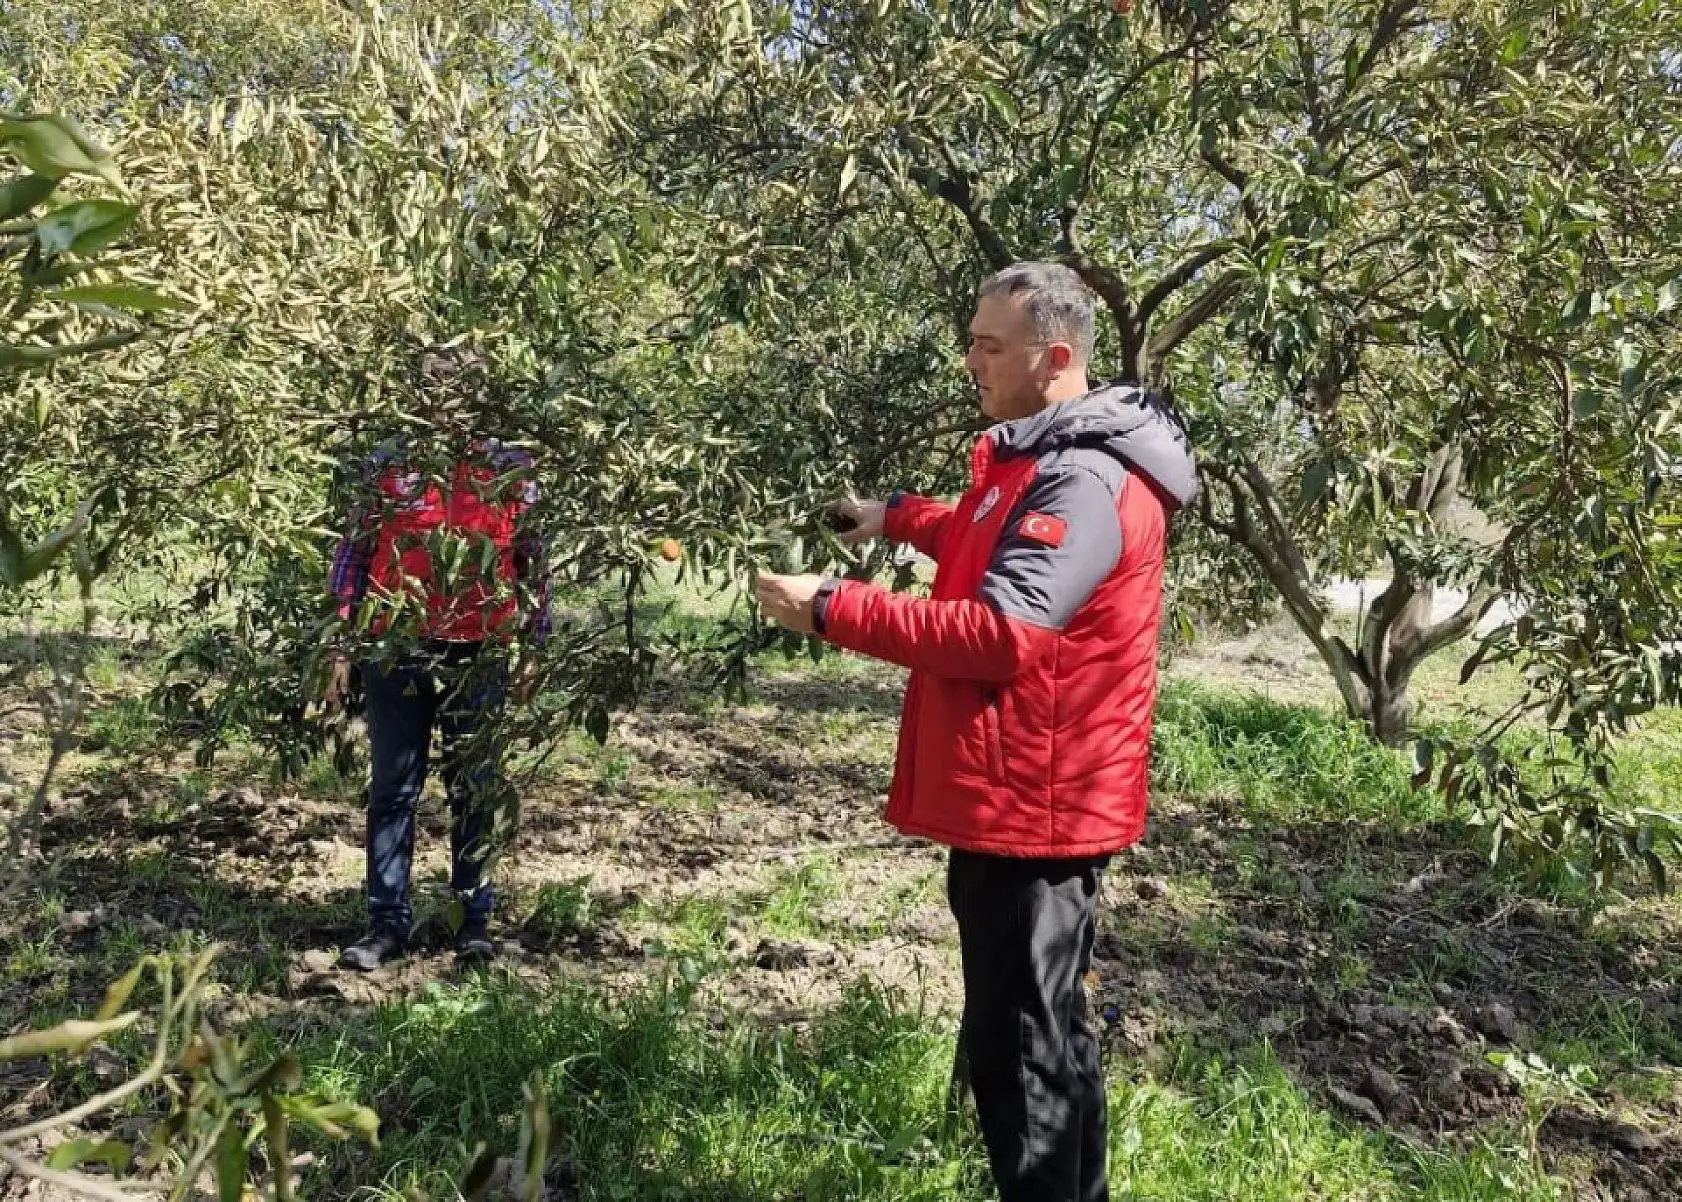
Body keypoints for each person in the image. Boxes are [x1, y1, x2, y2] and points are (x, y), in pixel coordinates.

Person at [754, 262, 1197, 1202]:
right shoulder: (1039, 456)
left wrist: (834, 607)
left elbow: (1004, 635)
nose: (970, 363)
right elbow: (981, 528)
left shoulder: (1081, 477)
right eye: (971, 340)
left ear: (1058, 357)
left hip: (1039, 809)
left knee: (1021, 1054)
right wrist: (894, 520)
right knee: (1044, 1034)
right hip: (1015, 801)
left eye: (989, 347)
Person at [323, 344, 550, 971]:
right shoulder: (388, 466)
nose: (446, 413)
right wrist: (342, 640)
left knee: (474, 786)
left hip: (478, 651)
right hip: (394, 645)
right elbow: (354, 554)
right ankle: (386, 922)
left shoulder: (511, 469)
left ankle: (473, 920)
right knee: (394, 785)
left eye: (457, 400)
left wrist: (533, 644)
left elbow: (532, 559)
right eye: (433, 400)